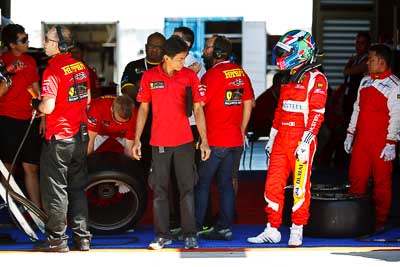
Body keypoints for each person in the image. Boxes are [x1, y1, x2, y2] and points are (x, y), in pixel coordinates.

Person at [247, 30, 328, 247]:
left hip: (302, 142)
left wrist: (306, 141)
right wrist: (272, 138)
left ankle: (297, 229)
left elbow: (317, 115)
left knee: (300, 188)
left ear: (300, 52)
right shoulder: (287, 78)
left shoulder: (317, 79)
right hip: (281, 139)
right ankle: (272, 229)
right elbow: (280, 111)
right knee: (272, 185)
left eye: (286, 52)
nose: (281, 56)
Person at [132, 35, 210, 250]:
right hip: (159, 144)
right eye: (179, 59)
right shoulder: (149, 77)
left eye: (184, 59)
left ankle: (190, 234)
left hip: (185, 142)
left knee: (187, 190)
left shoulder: (189, 77)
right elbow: (143, 109)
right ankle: (162, 236)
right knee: (160, 191)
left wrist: (204, 141)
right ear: (166, 58)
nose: (183, 63)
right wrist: (137, 139)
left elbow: (198, 109)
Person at [32, 25, 92, 252]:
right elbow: (86, 101)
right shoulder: (81, 67)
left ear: (59, 45)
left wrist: (35, 104)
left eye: (47, 40)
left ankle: (56, 239)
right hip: (80, 135)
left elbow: (48, 106)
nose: (44, 43)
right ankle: (82, 238)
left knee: (56, 189)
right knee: (77, 187)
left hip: (60, 137)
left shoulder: (53, 70)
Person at [195, 35, 255, 241]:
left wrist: (203, 138)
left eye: (208, 48)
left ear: (217, 52)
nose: (204, 52)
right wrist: (242, 129)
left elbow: (198, 106)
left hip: (214, 141)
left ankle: (194, 228)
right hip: (235, 140)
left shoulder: (211, 76)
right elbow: (249, 103)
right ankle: (224, 228)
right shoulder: (240, 73)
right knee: (227, 184)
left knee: (202, 184)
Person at [343, 44, 400, 229]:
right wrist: (350, 134)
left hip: (382, 143)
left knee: (382, 183)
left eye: (371, 59)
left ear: (382, 61)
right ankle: (354, 218)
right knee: (356, 179)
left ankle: (380, 221)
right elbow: (356, 109)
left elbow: (397, 115)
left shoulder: (395, 85)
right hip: (361, 141)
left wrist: (391, 142)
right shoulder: (364, 81)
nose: (367, 63)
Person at [0, 24, 42, 208]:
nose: (27, 42)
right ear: (11, 44)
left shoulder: (31, 61)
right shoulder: (2, 61)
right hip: (8, 119)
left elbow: (36, 90)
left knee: (31, 167)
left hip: (30, 119)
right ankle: (11, 208)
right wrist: (8, 71)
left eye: (27, 38)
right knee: (8, 168)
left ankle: (37, 211)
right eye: (23, 40)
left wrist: (43, 116)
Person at [121, 32, 166, 177]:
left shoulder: (169, 68)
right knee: (138, 168)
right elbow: (128, 91)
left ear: (164, 49)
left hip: (163, 127)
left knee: (163, 171)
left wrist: (142, 87)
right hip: (139, 126)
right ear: (146, 47)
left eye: (158, 47)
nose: (154, 50)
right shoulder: (133, 66)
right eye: (151, 46)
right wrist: (156, 90)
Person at [342, 31, 371, 126]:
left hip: (358, 99)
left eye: (362, 43)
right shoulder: (356, 59)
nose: (358, 46)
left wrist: (350, 62)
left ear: (368, 45)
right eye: (357, 42)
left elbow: (347, 71)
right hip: (348, 97)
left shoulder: (367, 60)